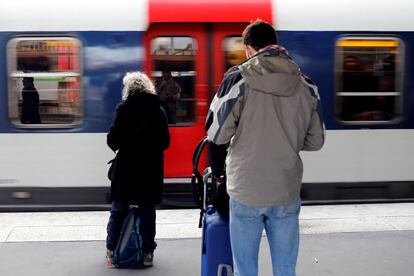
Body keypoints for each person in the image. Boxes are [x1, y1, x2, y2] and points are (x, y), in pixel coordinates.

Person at [205, 20, 325, 276]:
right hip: (285, 188)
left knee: (245, 269)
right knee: (285, 269)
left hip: (246, 189)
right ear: (276, 44)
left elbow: (216, 133)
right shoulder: (306, 84)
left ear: (248, 48)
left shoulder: (238, 79)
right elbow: (316, 141)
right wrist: (287, 138)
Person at [105, 71, 170, 267]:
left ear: (128, 89)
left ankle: (111, 250)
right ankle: (148, 253)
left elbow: (113, 141)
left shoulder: (123, 110)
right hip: (150, 169)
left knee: (118, 209)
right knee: (148, 210)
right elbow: (165, 142)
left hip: (127, 168)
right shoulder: (159, 110)